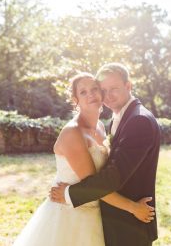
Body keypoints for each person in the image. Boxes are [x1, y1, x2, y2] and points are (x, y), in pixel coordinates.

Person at [13, 72, 154, 246]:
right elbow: (94, 183)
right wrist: (133, 208)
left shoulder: (102, 127)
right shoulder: (72, 132)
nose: (91, 95)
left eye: (95, 89)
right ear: (75, 100)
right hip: (71, 214)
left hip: (97, 213)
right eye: (83, 92)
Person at [51, 63, 161, 246]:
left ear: (128, 86)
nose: (107, 95)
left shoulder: (138, 120)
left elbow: (113, 177)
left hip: (130, 225)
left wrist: (70, 193)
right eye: (103, 89)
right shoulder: (115, 120)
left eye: (114, 89)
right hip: (104, 219)